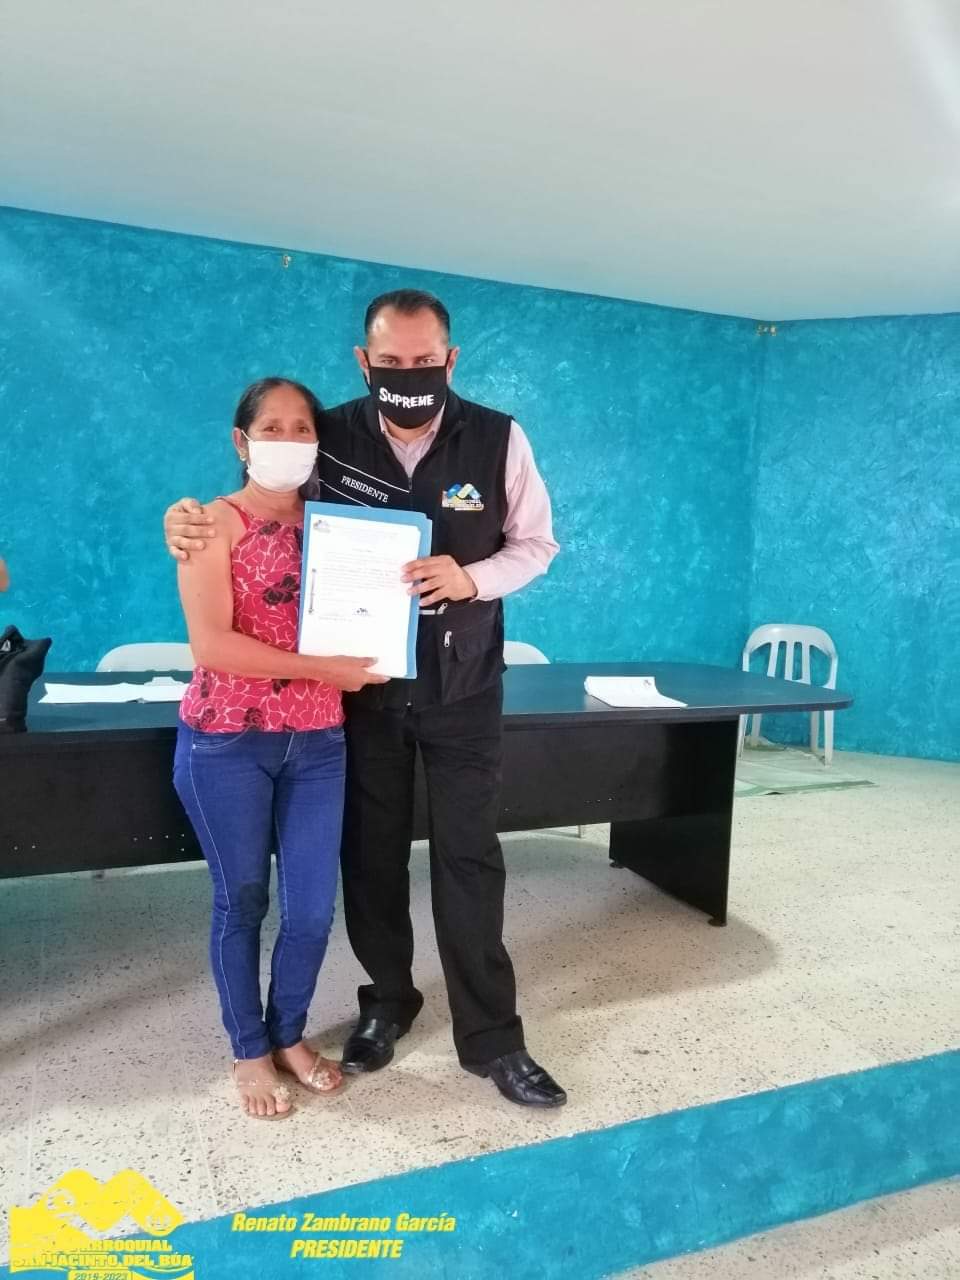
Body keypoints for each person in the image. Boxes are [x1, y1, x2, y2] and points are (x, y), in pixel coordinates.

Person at [165, 291, 566, 1107]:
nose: (408, 375)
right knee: (371, 858)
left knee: (468, 858)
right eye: (391, 362)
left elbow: (537, 545)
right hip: (360, 696)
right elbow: (260, 504)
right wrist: (184, 520)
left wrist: (471, 577)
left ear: (450, 359)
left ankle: (493, 1038)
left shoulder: (499, 437)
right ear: (364, 362)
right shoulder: (330, 435)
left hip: (463, 688)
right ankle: (387, 1003)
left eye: (424, 361)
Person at [173, 376, 387, 1120]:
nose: (289, 440)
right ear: (242, 441)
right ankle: (249, 1050)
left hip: (319, 743)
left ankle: (289, 1033)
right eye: (272, 427)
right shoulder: (209, 523)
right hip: (226, 742)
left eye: (303, 428)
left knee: (311, 911)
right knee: (241, 900)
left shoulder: (342, 528)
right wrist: (323, 669)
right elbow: (211, 644)